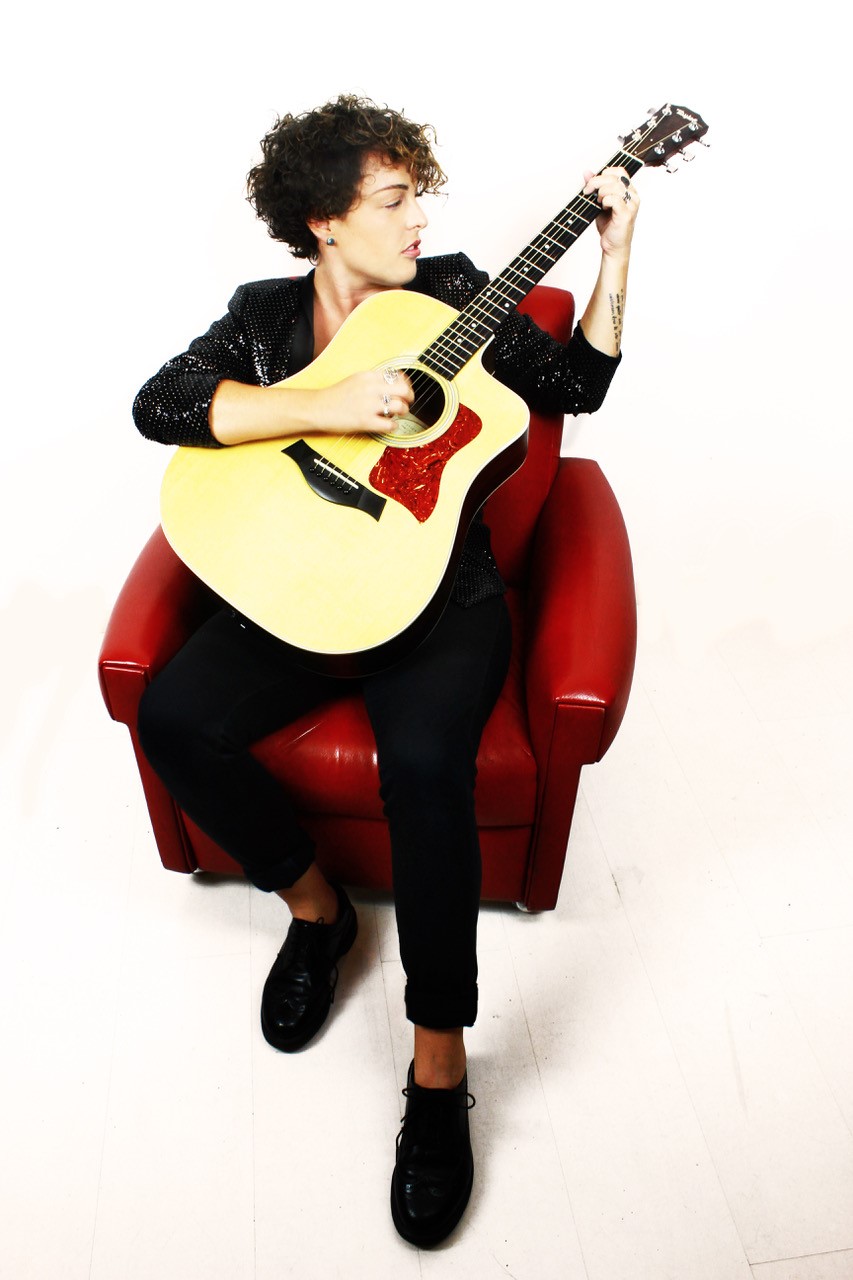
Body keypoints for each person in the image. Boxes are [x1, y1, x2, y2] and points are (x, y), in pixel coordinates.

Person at [133, 93, 639, 1248]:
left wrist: (614, 253)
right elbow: (160, 403)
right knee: (175, 716)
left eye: (420, 195)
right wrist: (324, 402)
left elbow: (576, 385)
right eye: (394, 199)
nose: (420, 219)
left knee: (422, 764)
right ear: (323, 220)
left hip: (439, 598)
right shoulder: (262, 318)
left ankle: (437, 1065)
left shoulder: (456, 292)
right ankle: (318, 914)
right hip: (303, 581)